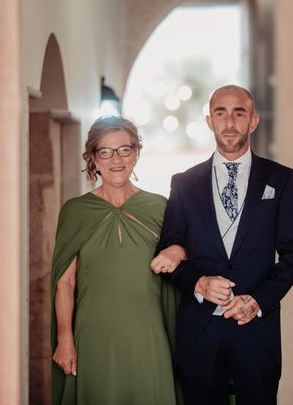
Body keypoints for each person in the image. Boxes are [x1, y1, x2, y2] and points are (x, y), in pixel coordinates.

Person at [151, 85, 293, 405]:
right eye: (221, 113)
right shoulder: (184, 183)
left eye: (239, 113)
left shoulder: (280, 179)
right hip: (199, 332)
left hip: (256, 330)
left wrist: (258, 300)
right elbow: (168, 253)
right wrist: (199, 283)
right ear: (210, 121)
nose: (230, 122)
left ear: (253, 121)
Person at [50, 116, 182, 405]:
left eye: (124, 149)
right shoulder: (75, 211)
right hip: (93, 333)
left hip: (149, 331)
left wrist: (180, 251)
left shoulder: (160, 207)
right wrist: (64, 339)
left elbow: (183, 254)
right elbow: (65, 281)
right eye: (105, 151)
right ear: (93, 159)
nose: (116, 159)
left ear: (136, 152)